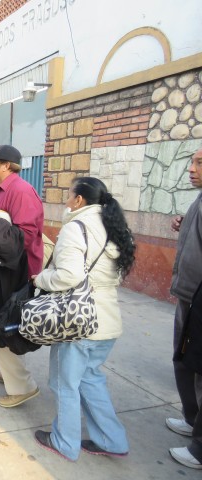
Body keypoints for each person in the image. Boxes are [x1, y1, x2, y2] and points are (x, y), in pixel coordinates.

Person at [32, 177, 135, 461]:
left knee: (66, 383)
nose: (66, 200)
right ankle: (112, 440)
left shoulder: (76, 228)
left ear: (79, 200)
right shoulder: (116, 227)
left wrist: (41, 277)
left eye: (68, 195)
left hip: (78, 322)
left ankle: (64, 442)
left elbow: (69, 275)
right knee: (90, 380)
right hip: (107, 321)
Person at [0, 145, 44, 407]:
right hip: (4, 265)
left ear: (7, 165)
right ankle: (8, 373)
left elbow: (26, 236)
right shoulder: (4, 191)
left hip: (16, 268)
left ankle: (22, 386)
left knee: (5, 323)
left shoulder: (21, 191)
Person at [167, 147, 202, 470]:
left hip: (199, 304)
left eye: (199, 163)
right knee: (184, 363)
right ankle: (192, 420)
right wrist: (184, 222)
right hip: (189, 298)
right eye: (191, 161)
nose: (191, 169)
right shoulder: (199, 199)